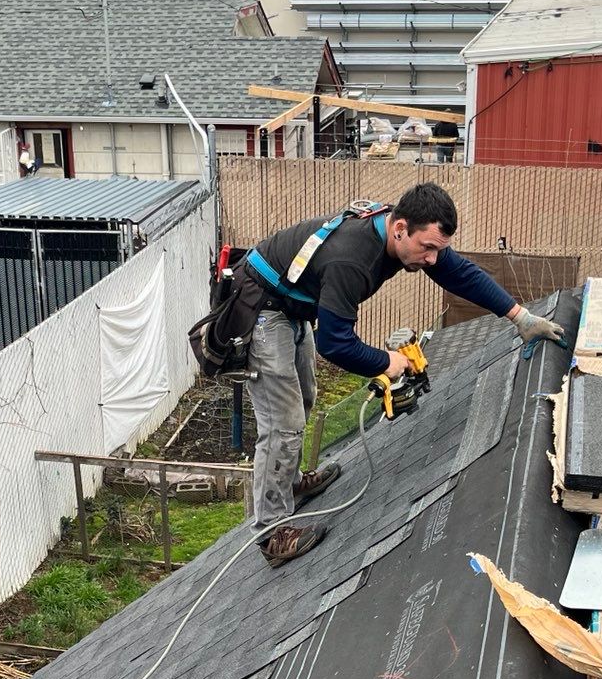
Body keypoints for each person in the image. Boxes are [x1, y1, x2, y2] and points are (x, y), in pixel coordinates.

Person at [240, 182, 563, 567]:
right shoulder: (352, 261)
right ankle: (271, 531)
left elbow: (460, 274)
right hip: (263, 307)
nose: (431, 259)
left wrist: (520, 317)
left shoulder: (406, 234)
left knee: (304, 398)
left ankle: (288, 483)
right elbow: (335, 344)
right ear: (399, 229)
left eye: (437, 250)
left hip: (293, 304)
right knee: (283, 422)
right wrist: (386, 362)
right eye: (427, 248)